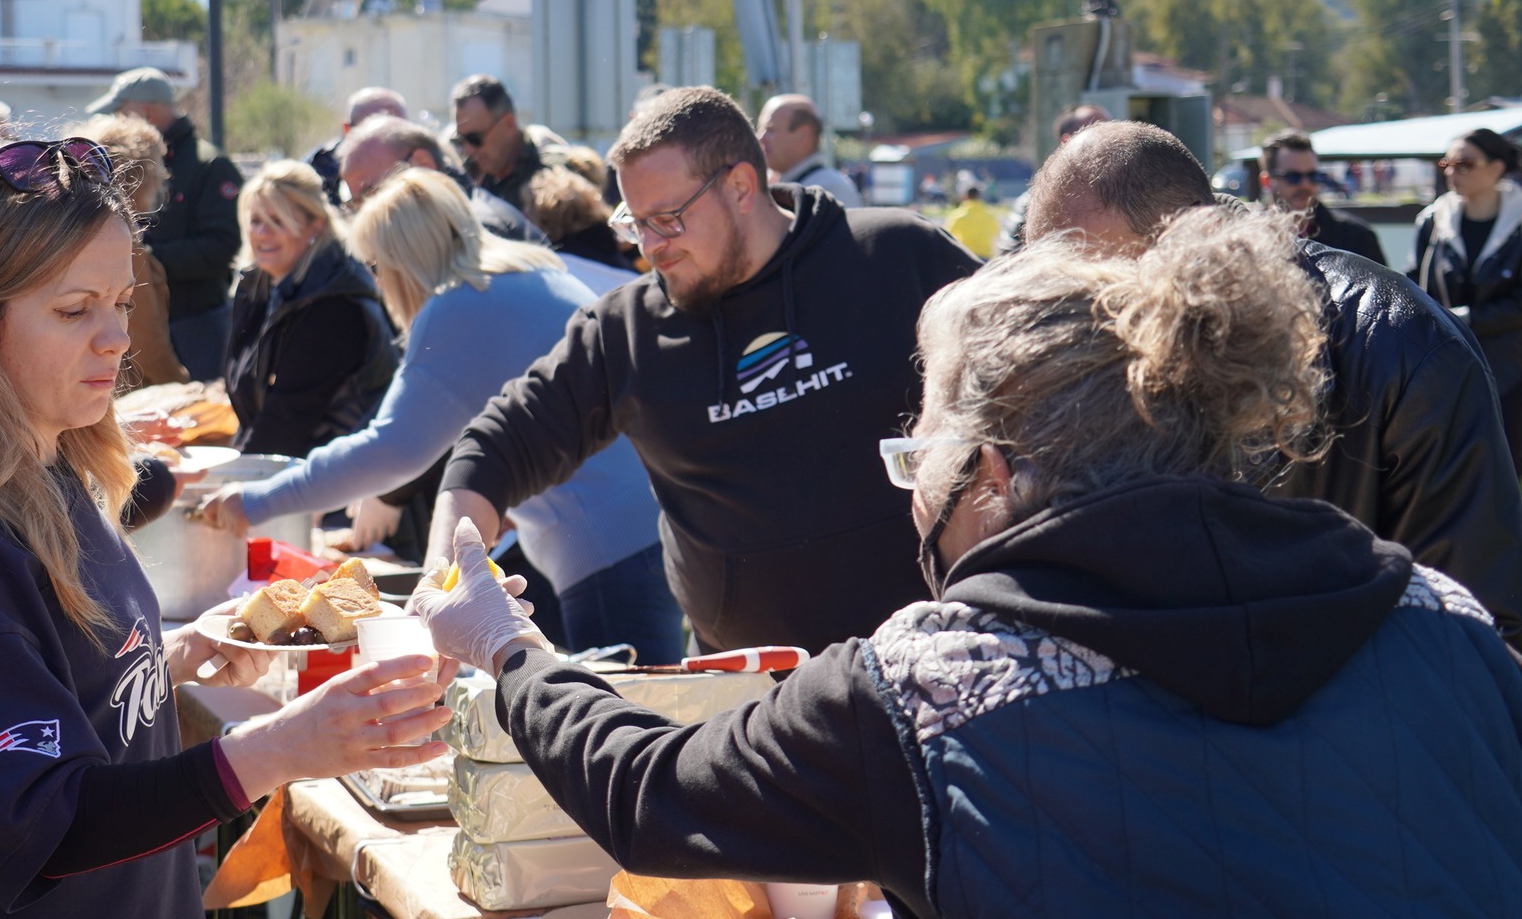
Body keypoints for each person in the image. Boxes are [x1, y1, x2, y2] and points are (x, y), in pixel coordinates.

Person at [412, 209, 1522, 916]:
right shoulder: (1448, 621)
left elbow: (648, 794)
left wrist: (507, 652)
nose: (913, 498)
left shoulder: (925, 690)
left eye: (914, 461)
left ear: (988, 475)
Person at [0, 137, 449, 918]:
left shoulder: (43, 465)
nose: (118, 339)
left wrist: (170, 660)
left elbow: (43, 699)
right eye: (74, 310)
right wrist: (280, 747)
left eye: (121, 303)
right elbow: (44, 822)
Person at [431, 87, 979, 654]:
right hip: (742, 704)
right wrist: (449, 577)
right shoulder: (629, 328)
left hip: (923, 669)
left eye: (667, 220)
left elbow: (1034, 376)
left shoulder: (895, 257)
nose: (649, 248)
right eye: (634, 223)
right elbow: (493, 448)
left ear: (741, 186)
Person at [1026, 120, 1522, 640]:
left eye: (1099, 283)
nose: (1079, 312)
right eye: (1054, 284)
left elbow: (1478, 626)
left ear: (1183, 238)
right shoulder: (1069, 347)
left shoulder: (1405, 348)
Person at [199, 169, 683, 662]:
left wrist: (255, 501)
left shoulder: (461, 304)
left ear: (400, 261)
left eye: (376, 265)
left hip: (606, 549)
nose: (377, 281)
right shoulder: (525, 274)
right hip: (640, 527)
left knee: (630, 718)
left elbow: (389, 450)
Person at [224, 160, 397, 457]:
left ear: (314, 226)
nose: (263, 233)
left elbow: (287, 421)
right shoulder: (258, 284)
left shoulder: (335, 305)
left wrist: (232, 481)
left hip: (340, 479)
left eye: (278, 221)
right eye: (255, 221)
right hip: (292, 464)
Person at [86, 67, 240, 381]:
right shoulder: (122, 155)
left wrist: (145, 260)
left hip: (196, 324)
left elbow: (221, 246)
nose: (114, 120)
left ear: (147, 113)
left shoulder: (209, 164)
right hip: (137, 319)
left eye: (121, 112)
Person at [1413, 127, 1522, 476]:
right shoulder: (1433, 221)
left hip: (1513, 372)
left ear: (1496, 168)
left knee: (1508, 470)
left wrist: (1467, 317)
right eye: (1448, 163)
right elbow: (1414, 284)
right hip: (1450, 366)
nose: (1452, 172)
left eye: (1465, 164)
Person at [65, 113, 189, 389]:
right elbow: (149, 346)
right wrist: (182, 387)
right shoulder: (124, 249)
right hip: (119, 395)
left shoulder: (73, 239)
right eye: (157, 165)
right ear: (143, 175)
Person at [337, 114, 545, 245]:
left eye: (370, 194)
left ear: (422, 163)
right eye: (353, 204)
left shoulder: (477, 232)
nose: (363, 215)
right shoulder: (446, 226)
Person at [994, 101, 1111, 256]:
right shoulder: (1032, 203)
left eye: (1110, 129)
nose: (1109, 138)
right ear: (1067, 141)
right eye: (1097, 129)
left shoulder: (1132, 192)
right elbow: (1009, 261)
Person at [451, 74, 576, 213]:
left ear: (509, 123)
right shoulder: (465, 173)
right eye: (460, 140)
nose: (468, 150)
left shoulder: (552, 175)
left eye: (475, 138)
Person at [1259, 129, 1386, 265]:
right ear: (1266, 181)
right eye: (1293, 177)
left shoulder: (1357, 237)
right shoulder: (1247, 238)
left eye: (1313, 175)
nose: (1305, 184)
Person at [755, 94, 865, 207]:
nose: (760, 138)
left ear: (803, 135)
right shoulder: (782, 185)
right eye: (760, 130)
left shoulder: (830, 191)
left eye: (770, 129)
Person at [307, 86, 408, 206]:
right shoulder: (317, 169)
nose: (391, 144)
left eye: (399, 133)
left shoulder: (421, 165)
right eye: (377, 133)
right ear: (347, 130)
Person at [525, 165, 633, 273]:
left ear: (544, 216)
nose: (524, 213)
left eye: (527, 207)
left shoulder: (549, 270)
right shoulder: (627, 269)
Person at [943, 185, 998, 259]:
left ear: (965, 197)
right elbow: (996, 232)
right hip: (985, 256)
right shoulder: (990, 215)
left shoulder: (958, 215)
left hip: (966, 255)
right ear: (979, 197)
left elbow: (947, 234)